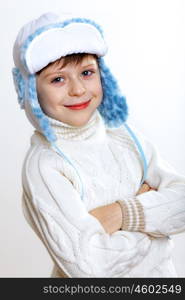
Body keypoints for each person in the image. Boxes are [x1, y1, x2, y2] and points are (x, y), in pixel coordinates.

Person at [12, 11, 185, 278]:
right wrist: (154, 225)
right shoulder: (45, 165)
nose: (78, 89)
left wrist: (121, 213)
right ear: (31, 91)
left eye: (87, 72)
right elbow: (90, 267)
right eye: (58, 79)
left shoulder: (124, 134)